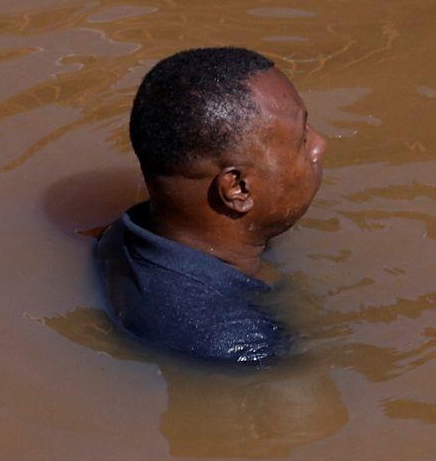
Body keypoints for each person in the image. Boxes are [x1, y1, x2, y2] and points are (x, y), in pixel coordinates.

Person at [92, 46, 327, 365]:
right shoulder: (240, 342)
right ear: (238, 189)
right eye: (302, 139)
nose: (319, 145)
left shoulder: (124, 233)